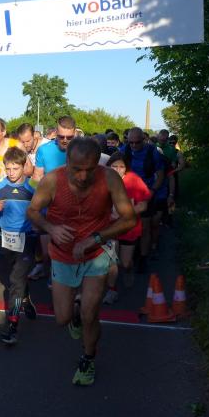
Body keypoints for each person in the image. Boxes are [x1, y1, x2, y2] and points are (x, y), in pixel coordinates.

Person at [27, 137, 136, 386]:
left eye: (90, 169)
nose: (83, 176)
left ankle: (88, 358)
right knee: (62, 318)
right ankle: (74, 316)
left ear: (98, 163)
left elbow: (129, 219)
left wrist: (96, 238)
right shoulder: (52, 180)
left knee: (90, 314)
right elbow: (32, 211)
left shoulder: (109, 178)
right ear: (67, 161)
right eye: (77, 169)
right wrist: (51, 228)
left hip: (96, 255)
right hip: (62, 255)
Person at [0, 146, 38, 345]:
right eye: (8, 169)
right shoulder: (0, 187)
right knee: (12, 279)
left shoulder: (32, 188)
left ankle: (12, 326)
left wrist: (37, 225)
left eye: (15, 168)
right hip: (5, 239)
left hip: (26, 238)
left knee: (16, 281)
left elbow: (42, 214)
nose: (11, 173)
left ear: (24, 167)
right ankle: (25, 297)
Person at [29, 116, 79, 281]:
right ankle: (47, 270)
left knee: (69, 248)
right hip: (48, 206)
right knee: (46, 250)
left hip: (74, 208)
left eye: (69, 137)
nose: (65, 140)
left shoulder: (81, 150)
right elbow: (37, 178)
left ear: (75, 134)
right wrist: (38, 199)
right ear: (55, 132)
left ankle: (63, 279)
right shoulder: (44, 150)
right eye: (61, 136)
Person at [105, 152, 151, 296]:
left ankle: (129, 269)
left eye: (121, 167)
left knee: (125, 263)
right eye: (114, 166)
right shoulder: (103, 179)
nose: (117, 170)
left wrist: (124, 214)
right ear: (109, 166)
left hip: (129, 228)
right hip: (109, 228)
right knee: (111, 260)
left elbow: (143, 206)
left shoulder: (134, 180)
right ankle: (112, 290)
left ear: (127, 168)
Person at [122, 127, 165, 270]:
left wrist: (152, 192)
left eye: (137, 142)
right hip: (127, 194)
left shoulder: (153, 152)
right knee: (128, 224)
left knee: (145, 226)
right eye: (131, 142)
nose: (134, 145)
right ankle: (130, 253)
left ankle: (143, 257)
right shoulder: (124, 150)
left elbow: (160, 175)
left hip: (145, 193)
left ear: (144, 140)